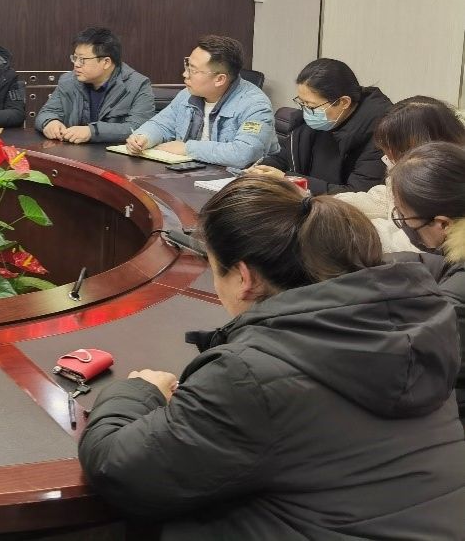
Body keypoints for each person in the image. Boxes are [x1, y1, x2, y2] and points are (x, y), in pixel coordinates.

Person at [78, 176, 465, 538]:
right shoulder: (413, 323)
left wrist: (137, 392)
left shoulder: (252, 377)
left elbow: (117, 469)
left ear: (244, 278)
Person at [389, 141, 465, 423]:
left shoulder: (454, 305)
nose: (404, 225)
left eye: (405, 217)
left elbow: (419, 380)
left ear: (442, 224)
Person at [336, 96, 465, 253]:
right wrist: (332, 204)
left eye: (393, 152)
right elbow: (385, 198)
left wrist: (349, 232)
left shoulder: (440, 180)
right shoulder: (422, 167)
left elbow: (416, 242)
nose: (386, 158)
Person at [126, 35, 276, 167]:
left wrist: (187, 148)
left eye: (193, 70)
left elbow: (243, 154)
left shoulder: (255, 105)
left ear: (219, 79)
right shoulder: (187, 95)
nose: (185, 74)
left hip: (234, 181)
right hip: (190, 173)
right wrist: (143, 137)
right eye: (187, 66)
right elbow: (161, 124)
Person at [247, 58, 391, 194]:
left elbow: (357, 194)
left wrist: (288, 180)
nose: (305, 111)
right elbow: (285, 155)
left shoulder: (382, 134)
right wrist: (262, 169)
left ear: (343, 102)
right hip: (304, 200)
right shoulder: (315, 118)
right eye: (302, 103)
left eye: (311, 105)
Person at [34, 26, 155, 143]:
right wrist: (50, 122)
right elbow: (46, 112)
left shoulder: (138, 85)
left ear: (106, 62)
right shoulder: (68, 80)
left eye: (82, 60)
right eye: (75, 58)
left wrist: (92, 132)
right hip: (72, 152)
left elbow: (137, 128)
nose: (76, 64)